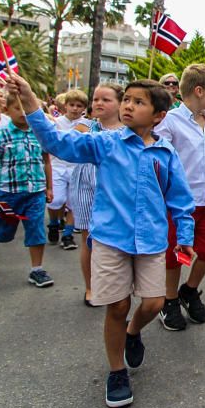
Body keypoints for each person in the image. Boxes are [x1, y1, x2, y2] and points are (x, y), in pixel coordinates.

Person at [8, 74, 195, 408]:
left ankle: (133, 333)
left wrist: (184, 237)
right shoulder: (106, 143)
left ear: (158, 116)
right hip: (109, 239)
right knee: (118, 306)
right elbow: (57, 143)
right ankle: (116, 370)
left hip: (151, 242)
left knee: (153, 304)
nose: (128, 106)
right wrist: (31, 100)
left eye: (139, 102)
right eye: (127, 100)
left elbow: (180, 199)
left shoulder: (166, 153)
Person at [153, 64, 205, 331]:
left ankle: (189, 289)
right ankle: (169, 300)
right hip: (179, 203)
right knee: (175, 255)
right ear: (199, 90)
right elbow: (157, 160)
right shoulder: (170, 122)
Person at [0, 93, 54, 287]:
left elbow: (46, 162)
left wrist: (49, 187)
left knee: (36, 229)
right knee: (2, 230)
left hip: (35, 192)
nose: (23, 113)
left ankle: (37, 269)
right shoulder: (1, 135)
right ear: (6, 111)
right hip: (8, 193)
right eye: (17, 108)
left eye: (26, 107)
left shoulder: (39, 134)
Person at [67, 84, 124, 306]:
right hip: (86, 185)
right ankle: (91, 287)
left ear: (120, 103)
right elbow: (68, 145)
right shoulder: (85, 126)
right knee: (88, 238)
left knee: (113, 239)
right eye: (96, 99)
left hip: (115, 186)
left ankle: (114, 285)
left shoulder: (127, 131)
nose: (98, 103)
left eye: (106, 99)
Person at [46, 88, 90, 250]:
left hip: (76, 167)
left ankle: (67, 235)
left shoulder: (87, 125)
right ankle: (53, 223)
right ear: (65, 106)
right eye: (72, 105)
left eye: (79, 105)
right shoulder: (56, 123)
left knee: (73, 204)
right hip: (57, 166)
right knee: (56, 201)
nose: (75, 108)